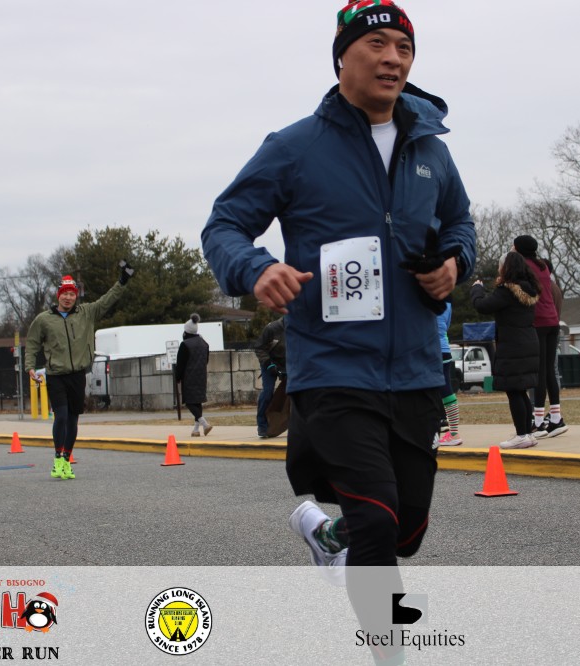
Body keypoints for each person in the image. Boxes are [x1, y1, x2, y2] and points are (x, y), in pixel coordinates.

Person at [202, 2, 474, 662]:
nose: (393, 59)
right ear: (342, 57)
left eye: (404, 47)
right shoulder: (295, 147)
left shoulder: (430, 150)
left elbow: (461, 225)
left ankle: (330, 539)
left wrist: (454, 264)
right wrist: (257, 268)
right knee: (377, 521)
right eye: (377, 44)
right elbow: (224, 225)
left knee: (406, 529)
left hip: (414, 367)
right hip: (332, 367)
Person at [24, 263, 134, 480]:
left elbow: (107, 300)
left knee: (73, 419)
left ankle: (66, 458)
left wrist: (122, 281)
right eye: (64, 294)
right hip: (56, 375)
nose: (68, 298)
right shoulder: (44, 319)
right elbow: (32, 344)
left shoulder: (86, 313)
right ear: (58, 295)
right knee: (61, 416)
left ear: (76, 296)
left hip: (77, 375)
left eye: (71, 294)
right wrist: (29, 367)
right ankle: (57, 458)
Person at [470, 252, 540, 449]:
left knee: (513, 390)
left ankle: (521, 435)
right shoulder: (530, 290)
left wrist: (476, 289)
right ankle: (527, 433)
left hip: (512, 345)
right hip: (529, 342)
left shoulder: (507, 291)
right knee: (521, 390)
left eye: (500, 266)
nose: (498, 269)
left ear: (506, 268)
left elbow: (481, 305)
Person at [513, 234, 567, 438]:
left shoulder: (523, 266)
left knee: (539, 372)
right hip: (553, 321)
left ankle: (537, 422)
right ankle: (555, 417)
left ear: (519, 249)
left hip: (538, 322)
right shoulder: (543, 265)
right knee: (549, 370)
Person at [175, 313, 212, 437]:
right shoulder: (204, 343)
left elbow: (180, 364)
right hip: (201, 376)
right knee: (197, 402)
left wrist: (177, 377)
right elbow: (206, 360)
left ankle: (205, 424)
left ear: (186, 331)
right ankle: (196, 430)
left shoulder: (185, 345)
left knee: (189, 402)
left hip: (189, 377)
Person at [253, 317, 286, 439]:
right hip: (269, 362)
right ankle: (262, 425)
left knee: (294, 394)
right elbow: (259, 348)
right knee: (267, 392)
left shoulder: (299, 328)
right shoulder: (272, 328)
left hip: (287, 364)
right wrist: (269, 364)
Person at [436, 298, 462, 446]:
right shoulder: (448, 303)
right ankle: (453, 432)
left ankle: (451, 434)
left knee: (432, 392)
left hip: (431, 349)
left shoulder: (424, 299)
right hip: (444, 349)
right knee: (446, 390)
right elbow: (446, 325)